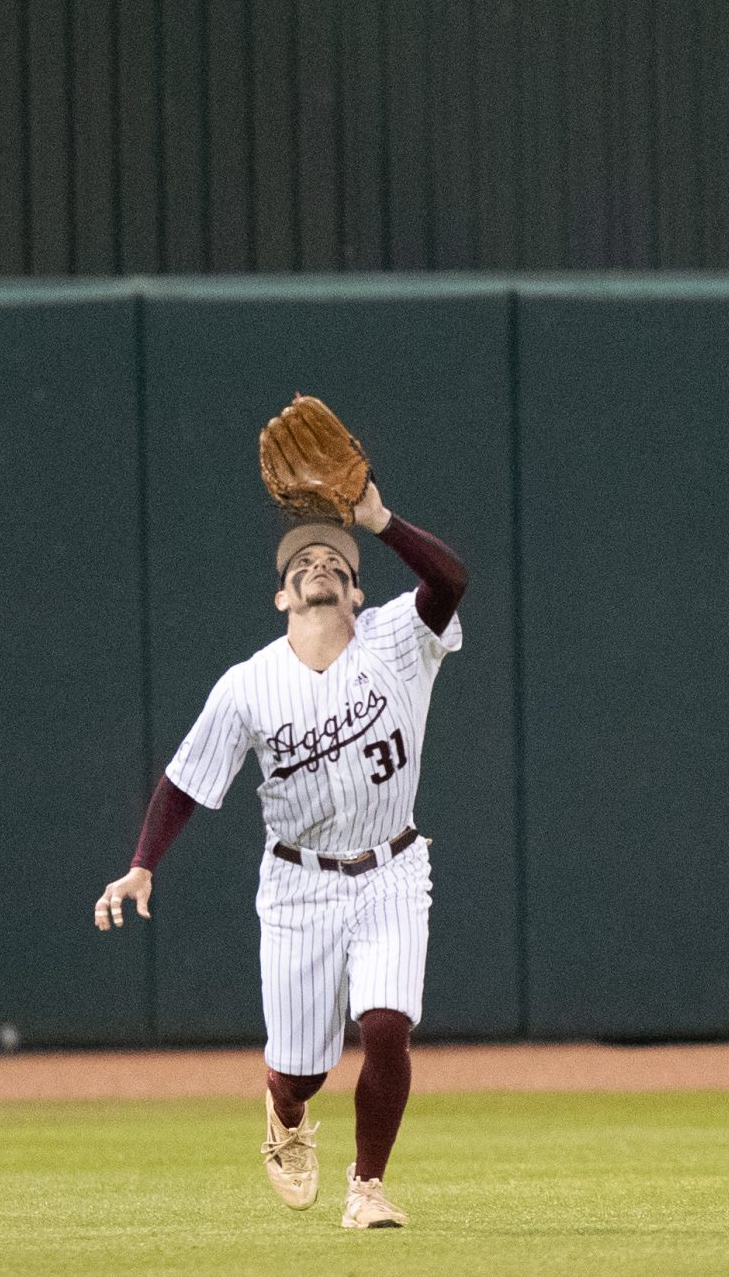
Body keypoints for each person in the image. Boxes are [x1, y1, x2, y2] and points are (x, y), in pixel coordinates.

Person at [93, 478, 467, 1230]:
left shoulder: (399, 637)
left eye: (335, 559)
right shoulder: (247, 685)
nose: (318, 563)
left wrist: (378, 519)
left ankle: (367, 1187)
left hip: (392, 866)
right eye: (302, 563)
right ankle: (285, 1108)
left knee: (387, 1024)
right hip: (299, 884)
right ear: (280, 597)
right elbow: (185, 781)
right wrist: (143, 862)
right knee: (303, 1067)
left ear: (359, 594)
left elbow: (450, 578)